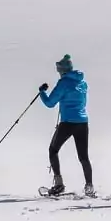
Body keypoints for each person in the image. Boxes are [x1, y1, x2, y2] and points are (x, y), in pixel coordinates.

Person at [39, 54, 94, 197]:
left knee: (53, 150)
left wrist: (42, 92)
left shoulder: (63, 83)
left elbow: (50, 103)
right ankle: (89, 186)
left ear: (62, 70)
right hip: (83, 122)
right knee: (83, 156)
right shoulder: (83, 83)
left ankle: (58, 184)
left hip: (68, 122)